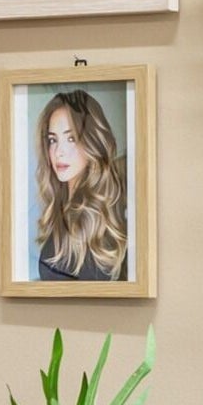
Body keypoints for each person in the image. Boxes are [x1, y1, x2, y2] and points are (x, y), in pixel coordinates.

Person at [32, 89, 130, 281]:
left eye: (71, 138)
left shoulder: (106, 218)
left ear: (92, 142)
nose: (59, 152)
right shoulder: (59, 213)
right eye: (53, 140)